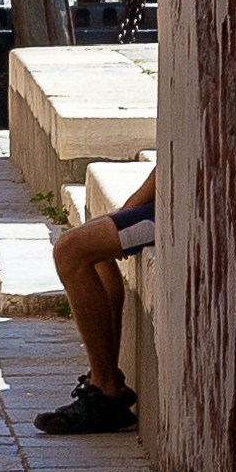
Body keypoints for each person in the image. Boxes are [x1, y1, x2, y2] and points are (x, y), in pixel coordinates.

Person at [39, 163, 153, 434]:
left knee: (69, 251)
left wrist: (129, 212)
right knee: (92, 245)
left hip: (180, 208)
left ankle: (104, 390)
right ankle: (108, 380)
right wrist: (127, 212)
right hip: (169, 199)